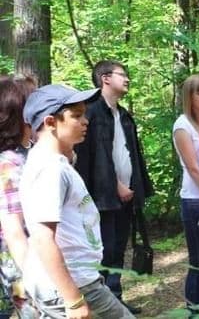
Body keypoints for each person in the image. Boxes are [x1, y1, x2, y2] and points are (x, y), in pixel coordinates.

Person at [20, 84, 134, 318]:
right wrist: (72, 299)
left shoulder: (53, 161)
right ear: (51, 122)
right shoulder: (50, 169)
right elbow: (42, 237)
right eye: (77, 116)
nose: (86, 121)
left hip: (74, 280)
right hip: (71, 284)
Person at [73, 60, 153, 314]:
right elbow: (97, 158)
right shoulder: (93, 113)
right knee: (105, 249)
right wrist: (117, 185)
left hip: (126, 195)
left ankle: (115, 299)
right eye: (122, 75)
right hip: (102, 197)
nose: (127, 79)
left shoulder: (124, 114)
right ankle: (102, 302)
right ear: (105, 78)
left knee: (118, 248)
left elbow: (131, 155)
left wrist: (136, 187)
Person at [172, 74, 199, 310]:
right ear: (190, 97)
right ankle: (195, 311)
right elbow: (193, 167)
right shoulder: (182, 125)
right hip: (195, 200)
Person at [0, 76, 36, 318]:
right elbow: (14, 231)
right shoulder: (9, 165)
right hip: (17, 266)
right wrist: (34, 279)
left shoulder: (21, 157)